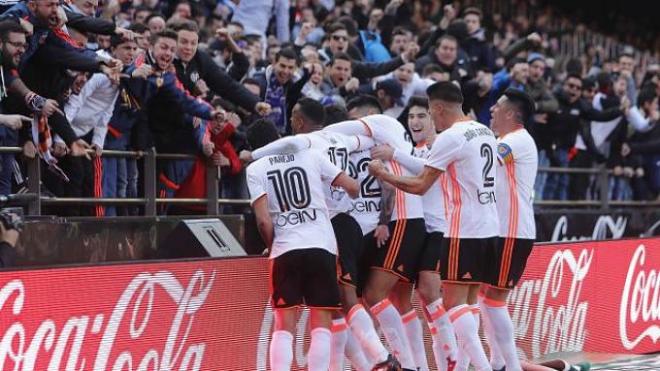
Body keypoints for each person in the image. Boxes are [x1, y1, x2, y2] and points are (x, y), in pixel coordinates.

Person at [241, 98, 400, 371]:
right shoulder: (339, 139)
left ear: (299, 122)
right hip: (341, 226)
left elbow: (264, 219)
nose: (290, 123)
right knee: (332, 309)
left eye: (292, 117)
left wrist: (251, 156)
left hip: (318, 229)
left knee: (321, 310)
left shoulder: (305, 145)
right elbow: (361, 156)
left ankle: (378, 357)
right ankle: (371, 361)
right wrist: (390, 150)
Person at [369, 81, 498, 371]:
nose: (427, 118)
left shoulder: (450, 137)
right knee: (467, 301)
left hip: (463, 227)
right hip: (489, 225)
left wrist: (383, 174)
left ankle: (479, 367)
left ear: (438, 109)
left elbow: (419, 185)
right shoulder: (484, 130)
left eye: (427, 112)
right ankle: (460, 367)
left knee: (452, 304)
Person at [245, 118, 359, 371]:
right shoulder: (310, 155)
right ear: (279, 136)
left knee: (283, 326)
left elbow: (263, 221)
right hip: (322, 245)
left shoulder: (255, 169)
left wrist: (273, 245)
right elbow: (352, 186)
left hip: (285, 249)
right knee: (321, 323)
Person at [369, 96, 460, 371]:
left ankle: (451, 362)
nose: (416, 122)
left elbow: (424, 173)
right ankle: (417, 365)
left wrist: (392, 156)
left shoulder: (440, 146)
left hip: (441, 229)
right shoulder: (412, 148)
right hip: (418, 230)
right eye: (412, 117)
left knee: (431, 293)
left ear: (435, 118)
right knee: (402, 298)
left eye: (422, 116)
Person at [481, 88, 538, 371]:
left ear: (511, 114)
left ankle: (510, 366)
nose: (491, 109)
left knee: (493, 300)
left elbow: (485, 158)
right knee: (483, 297)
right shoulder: (502, 140)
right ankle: (497, 363)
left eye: (497, 106)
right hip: (496, 231)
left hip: (512, 232)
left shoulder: (518, 140)